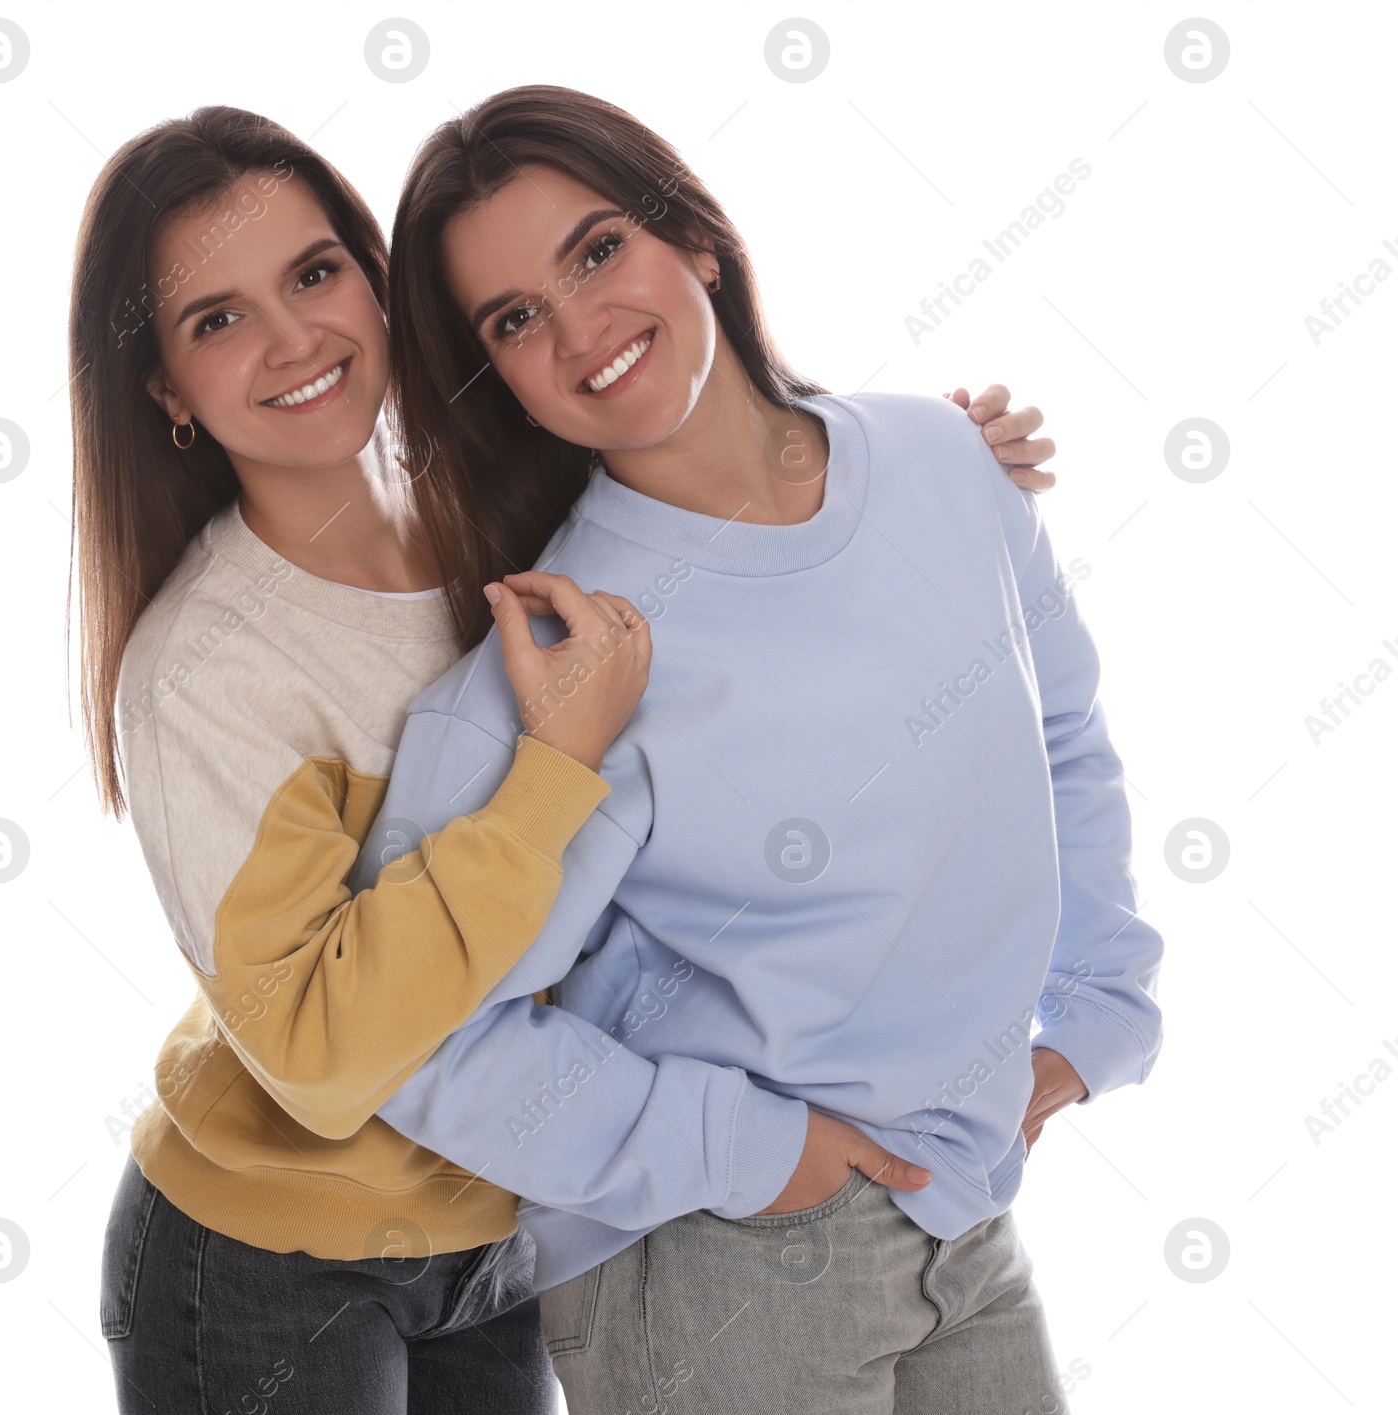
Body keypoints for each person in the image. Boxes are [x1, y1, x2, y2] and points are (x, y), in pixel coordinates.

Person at [70, 104, 1053, 1413]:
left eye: (314, 274)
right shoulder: (209, 670)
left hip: (495, 1227)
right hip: (271, 1255)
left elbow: (698, 478)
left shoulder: (492, 518)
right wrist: (549, 779)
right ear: (162, 390)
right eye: (216, 319)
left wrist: (918, 464)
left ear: (378, 285)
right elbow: (316, 1049)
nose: (295, 337)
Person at [353, 84, 1163, 1414]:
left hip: (964, 1201)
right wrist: (751, 1146)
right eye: (514, 320)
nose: (580, 329)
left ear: (698, 240)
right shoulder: (558, 659)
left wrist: (1102, 1007)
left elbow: (1060, 730)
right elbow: (410, 1036)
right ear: (494, 374)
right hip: (715, 1257)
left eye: (598, 249)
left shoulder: (945, 463)